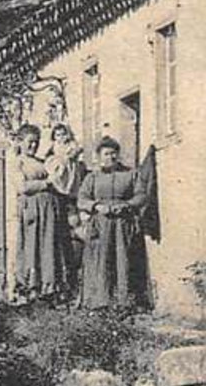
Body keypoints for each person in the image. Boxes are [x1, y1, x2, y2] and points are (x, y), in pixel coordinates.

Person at [77, 136, 150, 310]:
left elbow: (141, 195)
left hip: (122, 225)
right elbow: (81, 200)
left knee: (123, 259)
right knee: (100, 261)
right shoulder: (92, 177)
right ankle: (99, 301)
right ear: (99, 156)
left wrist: (127, 205)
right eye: (107, 154)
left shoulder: (130, 174)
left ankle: (123, 302)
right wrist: (96, 206)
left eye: (114, 154)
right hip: (100, 225)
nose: (111, 157)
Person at [12, 123, 73, 302]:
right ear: (20, 142)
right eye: (30, 142)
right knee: (33, 246)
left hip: (50, 210)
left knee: (50, 246)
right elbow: (23, 187)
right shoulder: (18, 162)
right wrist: (47, 183)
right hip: (33, 210)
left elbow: (59, 179)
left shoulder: (41, 162)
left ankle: (51, 287)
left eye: (36, 142)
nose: (33, 146)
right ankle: (32, 288)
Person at [44, 122, 86, 293]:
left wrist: (72, 156)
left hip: (72, 194)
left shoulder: (72, 148)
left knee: (74, 229)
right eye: (58, 135)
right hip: (59, 193)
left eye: (64, 134)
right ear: (54, 137)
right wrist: (64, 160)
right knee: (60, 234)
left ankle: (75, 276)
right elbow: (54, 172)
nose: (62, 137)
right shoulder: (54, 152)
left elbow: (78, 151)